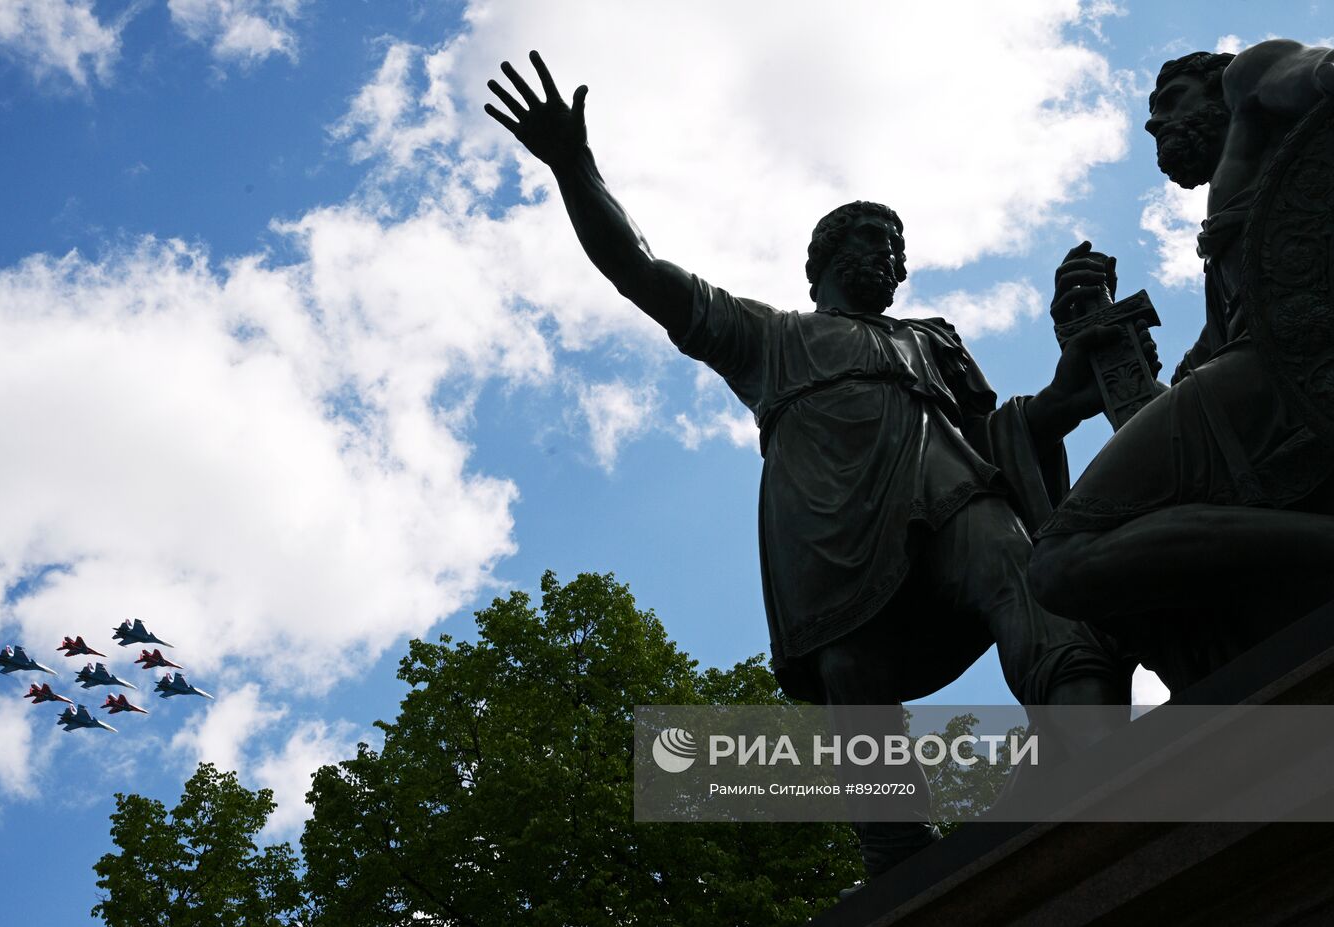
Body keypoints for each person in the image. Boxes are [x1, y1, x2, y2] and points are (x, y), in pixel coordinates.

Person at [486, 51, 1134, 875]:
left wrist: (1067, 393)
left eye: (897, 249)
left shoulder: (932, 339)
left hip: (949, 491)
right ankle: (899, 857)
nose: (889, 258)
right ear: (821, 259)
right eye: (871, 240)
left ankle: (1103, 760)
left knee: (1026, 576)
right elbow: (639, 271)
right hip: (828, 533)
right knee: (856, 680)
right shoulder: (770, 337)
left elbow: (998, 435)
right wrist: (574, 166)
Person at [1030, 43, 1334, 689]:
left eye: (1171, 101)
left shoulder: (1247, 77)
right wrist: (1105, 350)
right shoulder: (1229, 284)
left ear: (1218, 91)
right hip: (1266, 369)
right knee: (1083, 575)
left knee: (1060, 558)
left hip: (1284, 362)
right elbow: (1180, 443)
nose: (1154, 123)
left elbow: (1310, 71)